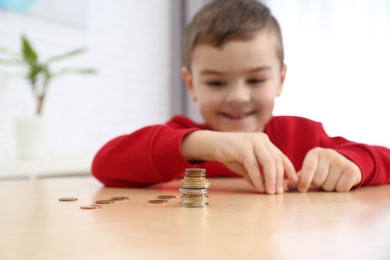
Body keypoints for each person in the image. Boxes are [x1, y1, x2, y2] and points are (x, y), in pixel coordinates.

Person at [91, 0, 390, 194]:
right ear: (191, 84)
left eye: (256, 79)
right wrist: (202, 144)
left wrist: (354, 164)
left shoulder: (303, 135)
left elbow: (384, 159)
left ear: (280, 80)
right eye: (217, 82)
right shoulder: (181, 139)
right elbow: (104, 164)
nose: (237, 97)